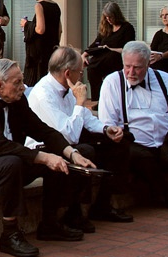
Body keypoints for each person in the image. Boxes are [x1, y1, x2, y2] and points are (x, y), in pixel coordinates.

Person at [0, 59, 94, 257]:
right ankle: (9, 234)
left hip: (8, 164)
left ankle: (50, 223)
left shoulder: (17, 100)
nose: (23, 87)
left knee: (56, 159)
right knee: (14, 162)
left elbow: (43, 130)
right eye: (17, 82)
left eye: (22, 81)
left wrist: (72, 153)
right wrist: (43, 157)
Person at [97, 41, 168, 212]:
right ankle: (166, 192)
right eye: (127, 66)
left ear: (148, 63)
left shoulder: (164, 80)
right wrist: (114, 132)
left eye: (137, 67)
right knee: (133, 153)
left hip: (166, 143)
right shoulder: (112, 83)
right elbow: (107, 122)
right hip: (137, 146)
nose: (131, 72)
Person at [28, 46, 134, 227]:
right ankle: (73, 211)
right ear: (67, 73)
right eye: (80, 72)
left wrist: (106, 129)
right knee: (85, 151)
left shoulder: (67, 88)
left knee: (119, 143)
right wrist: (79, 102)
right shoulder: (43, 94)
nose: (82, 77)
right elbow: (69, 136)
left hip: (67, 140)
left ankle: (102, 205)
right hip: (46, 147)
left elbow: (84, 118)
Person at [84, 1, 134, 96]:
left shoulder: (127, 28)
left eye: (110, 17)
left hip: (117, 58)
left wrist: (110, 49)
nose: (109, 20)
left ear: (116, 15)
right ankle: (98, 97)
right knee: (91, 68)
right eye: (106, 17)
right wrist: (84, 54)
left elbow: (128, 49)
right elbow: (96, 43)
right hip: (104, 57)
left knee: (107, 58)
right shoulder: (107, 28)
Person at [21, 0, 61, 86]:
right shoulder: (56, 6)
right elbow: (60, 30)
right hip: (52, 47)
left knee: (35, 80)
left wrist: (26, 24)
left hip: (39, 51)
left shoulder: (39, 5)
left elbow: (40, 29)